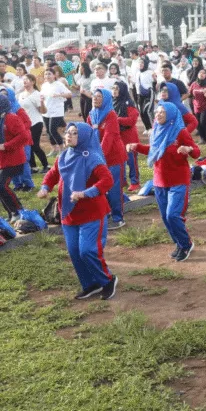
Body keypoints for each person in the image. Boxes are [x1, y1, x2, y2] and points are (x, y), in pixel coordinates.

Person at [37, 123, 117, 301]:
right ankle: (90, 284)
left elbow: (107, 180)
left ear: (84, 137)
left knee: (87, 250)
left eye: (74, 133)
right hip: (69, 212)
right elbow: (52, 174)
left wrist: (86, 193)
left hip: (92, 212)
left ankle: (108, 280)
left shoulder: (93, 157)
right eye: (68, 132)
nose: (69, 136)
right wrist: (45, 187)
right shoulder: (64, 156)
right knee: (74, 251)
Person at [128, 102, 200, 262]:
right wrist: (137, 146)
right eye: (157, 112)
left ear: (171, 115)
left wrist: (188, 150)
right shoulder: (155, 131)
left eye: (162, 112)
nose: (158, 115)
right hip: (160, 181)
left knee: (173, 215)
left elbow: (196, 152)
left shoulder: (180, 132)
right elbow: (154, 150)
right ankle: (179, 244)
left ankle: (187, 244)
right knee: (166, 218)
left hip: (178, 180)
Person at [87, 88, 127, 231]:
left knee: (114, 188)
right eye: (94, 96)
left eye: (99, 97)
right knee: (102, 187)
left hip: (114, 157)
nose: (95, 99)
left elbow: (108, 138)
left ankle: (118, 217)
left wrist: (99, 157)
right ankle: (106, 213)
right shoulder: (92, 115)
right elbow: (88, 135)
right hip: (99, 159)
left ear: (106, 100)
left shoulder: (111, 115)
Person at [0, 94, 30, 219]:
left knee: (2, 185)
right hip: (4, 160)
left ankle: (18, 211)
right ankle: (11, 212)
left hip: (15, 160)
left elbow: (24, 137)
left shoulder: (11, 118)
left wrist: (6, 146)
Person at [18, 74, 47, 176]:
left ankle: (46, 165)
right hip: (24, 124)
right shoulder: (21, 94)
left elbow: (43, 111)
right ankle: (33, 167)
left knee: (34, 145)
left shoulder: (37, 94)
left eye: (27, 79)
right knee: (27, 145)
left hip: (36, 122)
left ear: (33, 82)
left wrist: (42, 103)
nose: (24, 81)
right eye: (23, 79)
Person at [41, 67, 72, 156]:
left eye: (49, 74)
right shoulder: (44, 85)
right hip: (46, 111)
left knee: (52, 130)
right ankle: (54, 149)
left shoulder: (59, 84)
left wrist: (59, 94)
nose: (47, 76)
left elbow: (69, 94)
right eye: (46, 74)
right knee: (48, 131)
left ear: (54, 75)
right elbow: (42, 95)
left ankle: (62, 149)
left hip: (57, 111)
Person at [189, 68, 206, 145]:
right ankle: (203, 139)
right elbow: (189, 94)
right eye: (200, 72)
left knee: (204, 121)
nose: (201, 74)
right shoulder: (194, 84)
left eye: (203, 73)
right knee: (198, 123)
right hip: (197, 106)